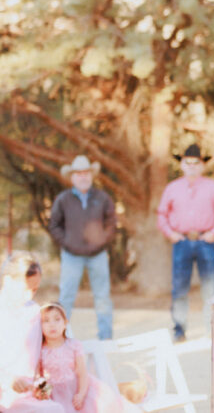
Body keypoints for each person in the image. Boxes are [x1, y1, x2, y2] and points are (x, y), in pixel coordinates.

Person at [156, 143, 214, 342]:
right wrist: (171, 233)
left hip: (204, 240)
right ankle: (179, 328)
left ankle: (212, 328)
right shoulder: (172, 188)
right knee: (180, 286)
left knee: (209, 286)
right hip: (181, 241)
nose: (191, 166)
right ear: (181, 164)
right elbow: (162, 214)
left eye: (195, 163)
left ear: (202, 165)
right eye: (187, 162)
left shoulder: (212, 187)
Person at [49, 155, 116, 340]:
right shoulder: (63, 199)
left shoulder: (102, 198)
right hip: (71, 255)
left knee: (102, 296)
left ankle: (105, 336)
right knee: (67, 296)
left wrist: (102, 240)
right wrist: (68, 242)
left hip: (98, 255)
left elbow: (111, 223)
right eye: (79, 174)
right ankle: (61, 337)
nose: (83, 177)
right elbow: (54, 225)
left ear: (91, 175)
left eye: (86, 173)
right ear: (72, 177)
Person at [38, 303, 135, 413]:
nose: (52, 324)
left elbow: (82, 373)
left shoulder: (73, 345)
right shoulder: (40, 350)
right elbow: (39, 376)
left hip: (78, 388)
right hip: (54, 393)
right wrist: (43, 393)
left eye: (57, 319)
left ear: (65, 323)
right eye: (46, 321)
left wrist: (81, 394)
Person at [0, 253, 62, 413]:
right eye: (25, 289)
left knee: (55, 409)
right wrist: (7, 380)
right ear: (7, 281)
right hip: (4, 390)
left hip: (26, 394)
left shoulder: (34, 312)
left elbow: (38, 361)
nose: (29, 295)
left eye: (34, 290)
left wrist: (42, 385)